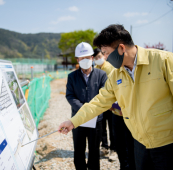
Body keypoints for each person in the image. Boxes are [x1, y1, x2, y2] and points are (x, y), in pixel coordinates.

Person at [59, 24, 173, 170]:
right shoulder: (115, 75)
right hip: (140, 143)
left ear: (121, 48)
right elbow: (98, 103)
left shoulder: (164, 61)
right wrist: (73, 121)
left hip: (167, 144)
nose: (104, 58)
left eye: (106, 53)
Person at [66, 42, 107, 170]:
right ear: (77, 59)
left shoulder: (101, 75)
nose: (85, 60)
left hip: (97, 120)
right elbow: (70, 96)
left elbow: (104, 95)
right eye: (82, 58)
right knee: (78, 151)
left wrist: (92, 111)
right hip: (78, 119)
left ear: (92, 57)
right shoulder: (72, 76)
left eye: (88, 57)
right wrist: (84, 109)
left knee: (94, 151)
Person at [93, 48, 115, 159]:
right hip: (101, 102)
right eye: (96, 58)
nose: (98, 59)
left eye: (99, 57)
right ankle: (104, 146)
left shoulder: (110, 68)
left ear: (104, 56)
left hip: (111, 103)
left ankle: (114, 149)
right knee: (101, 125)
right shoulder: (95, 69)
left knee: (112, 126)